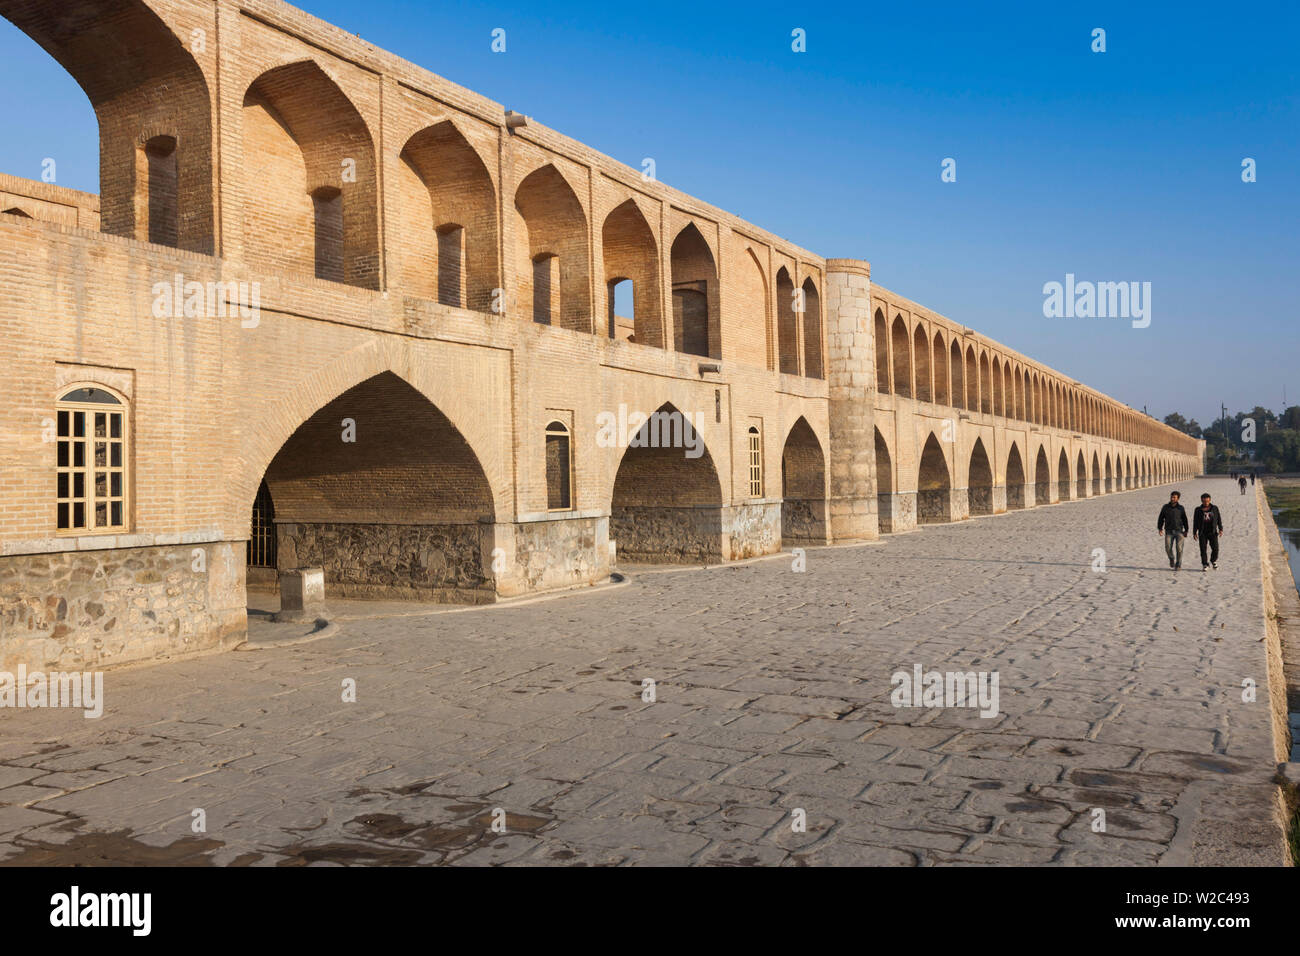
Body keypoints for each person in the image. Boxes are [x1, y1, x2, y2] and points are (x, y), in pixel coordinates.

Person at [1157, 491, 1189, 571]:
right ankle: (1171, 558)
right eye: (1171, 497)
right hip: (1169, 531)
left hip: (1179, 531)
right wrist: (1160, 528)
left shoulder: (1181, 508)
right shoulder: (1165, 507)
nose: (1172, 498)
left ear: (1178, 499)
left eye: (1174, 497)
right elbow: (1161, 518)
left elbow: (1185, 519)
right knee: (1168, 548)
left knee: (1179, 548)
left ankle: (1178, 564)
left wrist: (1186, 530)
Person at [1192, 493, 1224, 571]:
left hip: (1212, 532)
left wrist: (1220, 528)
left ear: (1210, 500)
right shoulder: (1198, 509)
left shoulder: (1214, 508)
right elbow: (1195, 521)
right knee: (1203, 549)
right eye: (1204, 501)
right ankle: (1205, 564)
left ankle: (1213, 560)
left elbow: (1218, 518)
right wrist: (1194, 532)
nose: (1205, 503)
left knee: (1215, 548)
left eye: (1207, 501)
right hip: (1202, 532)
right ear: (1201, 501)